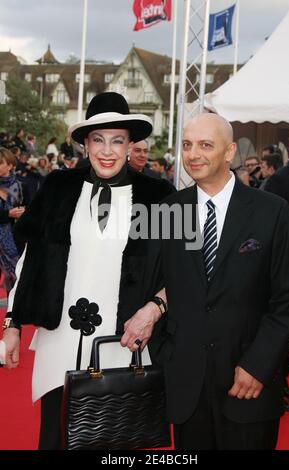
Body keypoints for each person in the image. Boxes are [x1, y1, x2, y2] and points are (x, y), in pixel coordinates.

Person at [1, 92, 175, 449]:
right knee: (56, 437)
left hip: (125, 343)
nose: (107, 150)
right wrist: (13, 324)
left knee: (114, 443)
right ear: (85, 144)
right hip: (59, 339)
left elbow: (186, 269)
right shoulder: (57, 187)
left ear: (130, 145)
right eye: (98, 139)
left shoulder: (158, 196)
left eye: (117, 140)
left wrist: (154, 309)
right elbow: (29, 261)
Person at [151, 113, 289, 450]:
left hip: (249, 383)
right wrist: (167, 355)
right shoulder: (169, 212)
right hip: (187, 386)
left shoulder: (272, 211)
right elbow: (155, 284)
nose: (193, 154)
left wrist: (260, 364)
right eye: (187, 145)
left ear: (229, 151)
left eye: (206, 145)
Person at [264, 124, 289, 410]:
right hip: (286, 273)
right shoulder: (279, 182)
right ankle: (272, 384)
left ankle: (282, 379)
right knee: (284, 330)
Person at [0, 148, 25, 293]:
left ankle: (14, 310)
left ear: (9, 165)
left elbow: (33, 209)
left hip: (15, 239)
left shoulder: (21, 186)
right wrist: (8, 214)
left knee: (15, 276)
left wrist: (24, 212)